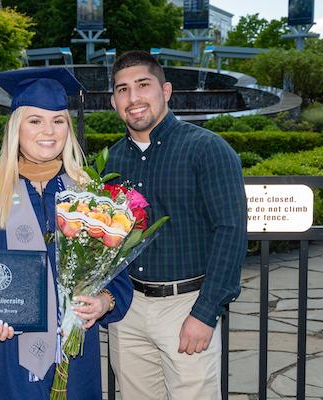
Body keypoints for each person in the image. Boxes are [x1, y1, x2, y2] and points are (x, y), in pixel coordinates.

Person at [0, 67, 133, 400]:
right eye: (35, 121)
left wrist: (104, 301)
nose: (48, 131)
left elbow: (117, 275)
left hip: (73, 355)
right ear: (16, 127)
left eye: (58, 121)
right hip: (1, 356)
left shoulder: (87, 195)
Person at [105, 51, 247, 399]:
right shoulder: (111, 159)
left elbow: (231, 232)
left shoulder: (206, 149)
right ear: (113, 101)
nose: (133, 98)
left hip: (186, 306)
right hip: (128, 309)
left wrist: (206, 312)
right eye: (123, 90)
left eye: (143, 85)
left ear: (165, 90)